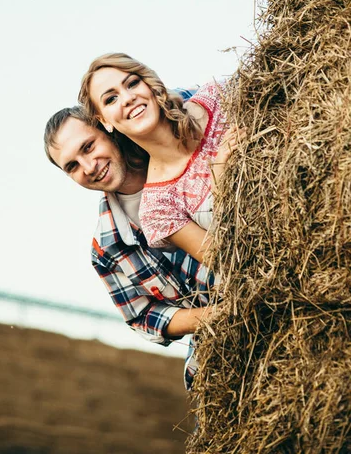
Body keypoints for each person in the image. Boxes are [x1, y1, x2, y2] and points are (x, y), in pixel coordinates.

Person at [44, 98, 216, 390]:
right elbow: (142, 316)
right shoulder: (107, 249)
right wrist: (215, 316)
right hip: (223, 350)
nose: (89, 166)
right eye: (72, 166)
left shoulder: (184, 155)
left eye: (88, 147)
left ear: (107, 130)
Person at [79, 53, 245, 263]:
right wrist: (220, 179)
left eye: (132, 83)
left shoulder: (217, 96)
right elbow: (229, 264)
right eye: (111, 99)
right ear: (104, 120)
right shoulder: (158, 208)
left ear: (148, 84)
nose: (128, 98)